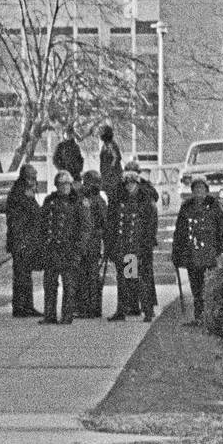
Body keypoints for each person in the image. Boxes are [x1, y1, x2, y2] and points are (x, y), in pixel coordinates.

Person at [172, 176, 223, 324]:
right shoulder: (186, 208)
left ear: (206, 190)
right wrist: (176, 253)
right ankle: (199, 317)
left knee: (208, 287)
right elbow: (179, 232)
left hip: (210, 255)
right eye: (196, 188)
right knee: (196, 288)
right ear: (192, 191)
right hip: (192, 255)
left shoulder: (215, 207)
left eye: (201, 188)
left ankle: (210, 317)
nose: (199, 191)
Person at [107, 164, 158, 322]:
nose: (129, 186)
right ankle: (122, 310)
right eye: (127, 183)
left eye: (132, 183)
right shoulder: (118, 200)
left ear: (137, 183)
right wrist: (110, 246)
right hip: (122, 245)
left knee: (136, 278)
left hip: (136, 245)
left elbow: (150, 224)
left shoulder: (144, 200)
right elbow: (112, 224)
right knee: (123, 279)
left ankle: (146, 310)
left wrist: (146, 244)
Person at [40, 170, 84, 324]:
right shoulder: (49, 201)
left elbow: (85, 227)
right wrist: (43, 243)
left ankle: (67, 316)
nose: (64, 187)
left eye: (67, 184)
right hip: (52, 249)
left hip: (69, 249)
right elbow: (42, 224)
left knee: (69, 285)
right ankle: (49, 315)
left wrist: (78, 248)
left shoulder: (77, 202)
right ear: (56, 185)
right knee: (50, 284)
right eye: (61, 184)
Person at [5, 164, 43, 317]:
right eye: (32, 178)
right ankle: (20, 307)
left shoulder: (24, 192)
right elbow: (19, 220)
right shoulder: (20, 193)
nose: (34, 181)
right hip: (21, 240)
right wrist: (21, 240)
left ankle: (27, 305)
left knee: (26, 275)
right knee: (21, 275)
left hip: (27, 240)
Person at [75, 171, 107, 318]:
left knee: (89, 276)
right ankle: (87, 306)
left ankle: (90, 307)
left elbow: (103, 224)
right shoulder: (89, 199)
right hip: (87, 242)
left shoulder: (96, 201)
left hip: (91, 243)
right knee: (85, 276)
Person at [98, 124, 123, 205]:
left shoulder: (111, 144)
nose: (100, 134)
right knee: (109, 198)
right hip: (107, 175)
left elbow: (116, 157)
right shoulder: (105, 145)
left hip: (112, 177)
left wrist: (110, 171)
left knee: (113, 198)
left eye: (102, 132)